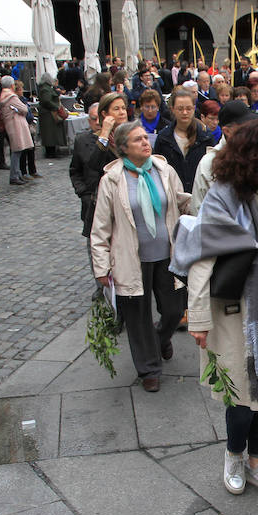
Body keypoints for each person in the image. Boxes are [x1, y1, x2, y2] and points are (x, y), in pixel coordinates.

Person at [174, 119, 258, 498]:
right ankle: (234, 454)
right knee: (241, 390)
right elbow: (201, 257)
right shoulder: (225, 196)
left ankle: (257, 461)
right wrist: (197, 317)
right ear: (256, 156)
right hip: (238, 311)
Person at [91, 121, 190, 393]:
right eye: (137, 140)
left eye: (146, 137)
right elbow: (100, 228)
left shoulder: (164, 170)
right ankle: (148, 368)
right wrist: (101, 267)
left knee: (173, 309)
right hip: (130, 259)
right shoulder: (111, 180)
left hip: (167, 255)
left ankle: (161, 338)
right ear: (123, 148)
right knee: (137, 316)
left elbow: (181, 201)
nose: (146, 142)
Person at [191, 100, 258, 213]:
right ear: (227, 131)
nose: (250, 130)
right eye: (244, 126)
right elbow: (198, 209)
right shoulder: (209, 163)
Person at [153, 88, 214, 194]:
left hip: (200, 193)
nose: (185, 112)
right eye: (180, 109)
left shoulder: (205, 136)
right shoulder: (163, 137)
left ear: (194, 108)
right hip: (173, 194)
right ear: (172, 109)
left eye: (189, 108)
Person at [69, 102, 104, 279]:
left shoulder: (114, 141)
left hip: (107, 200)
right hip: (90, 201)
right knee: (93, 245)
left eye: (100, 118)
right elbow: (75, 171)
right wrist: (82, 193)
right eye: (93, 119)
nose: (97, 122)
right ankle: (99, 284)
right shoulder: (81, 140)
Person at [0, 76, 34, 186]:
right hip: (16, 125)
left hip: (11, 124)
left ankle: (17, 174)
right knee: (17, 151)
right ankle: (14, 175)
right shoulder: (11, 97)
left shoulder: (3, 96)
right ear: (11, 85)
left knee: (17, 150)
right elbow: (24, 109)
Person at [12, 80, 39, 180]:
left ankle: (33, 170)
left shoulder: (23, 99)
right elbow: (24, 111)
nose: (22, 90)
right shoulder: (17, 100)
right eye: (21, 89)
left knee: (31, 148)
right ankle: (23, 171)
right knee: (24, 150)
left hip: (28, 125)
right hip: (22, 126)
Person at [36, 73, 65, 159]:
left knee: (51, 134)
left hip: (48, 113)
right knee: (50, 134)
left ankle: (51, 151)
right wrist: (56, 107)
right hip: (48, 114)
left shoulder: (46, 88)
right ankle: (50, 152)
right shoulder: (45, 89)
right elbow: (46, 101)